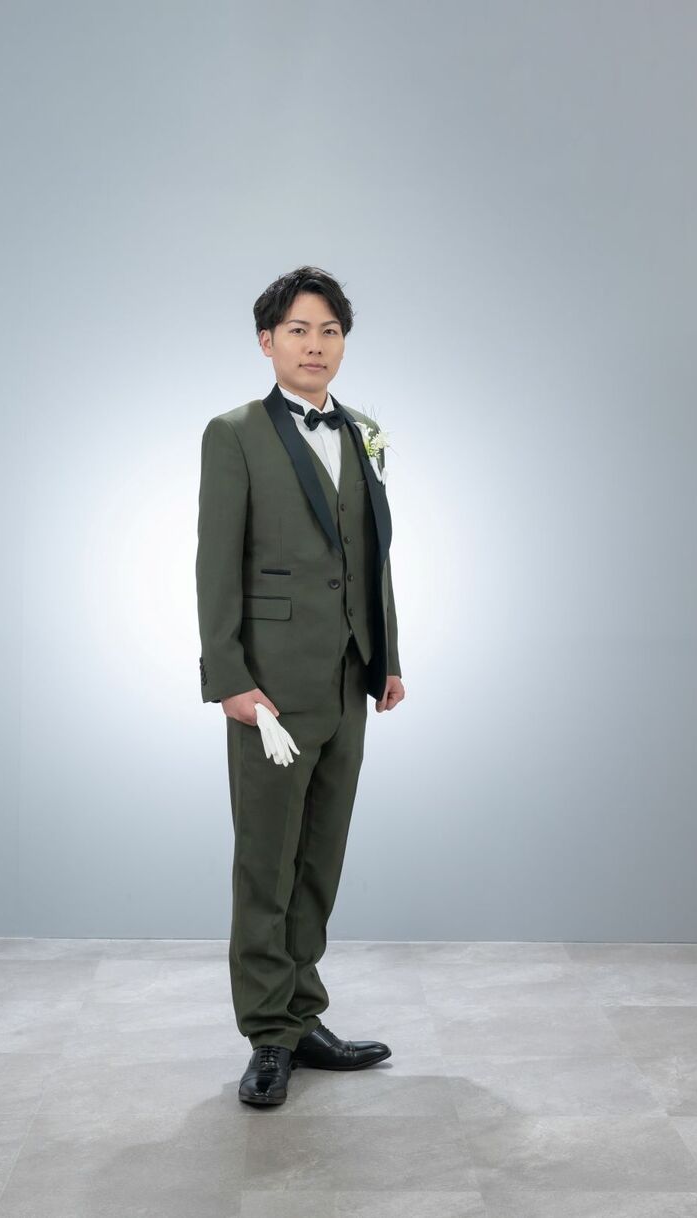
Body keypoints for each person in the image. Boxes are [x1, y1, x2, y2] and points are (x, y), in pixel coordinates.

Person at [195, 265, 405, 1107]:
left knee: (320, 858)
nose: (315, 345)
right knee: (266, 863)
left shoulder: (362, 431)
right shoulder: (234, 434)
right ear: (267, 341)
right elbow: (215, 564)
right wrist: (228, 678)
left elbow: (373, 555)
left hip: (348, 678)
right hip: (272, 692)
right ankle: (267, 1034)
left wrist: (387, 658)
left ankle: (302, 1013)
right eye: (297, 331)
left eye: (329, 331)